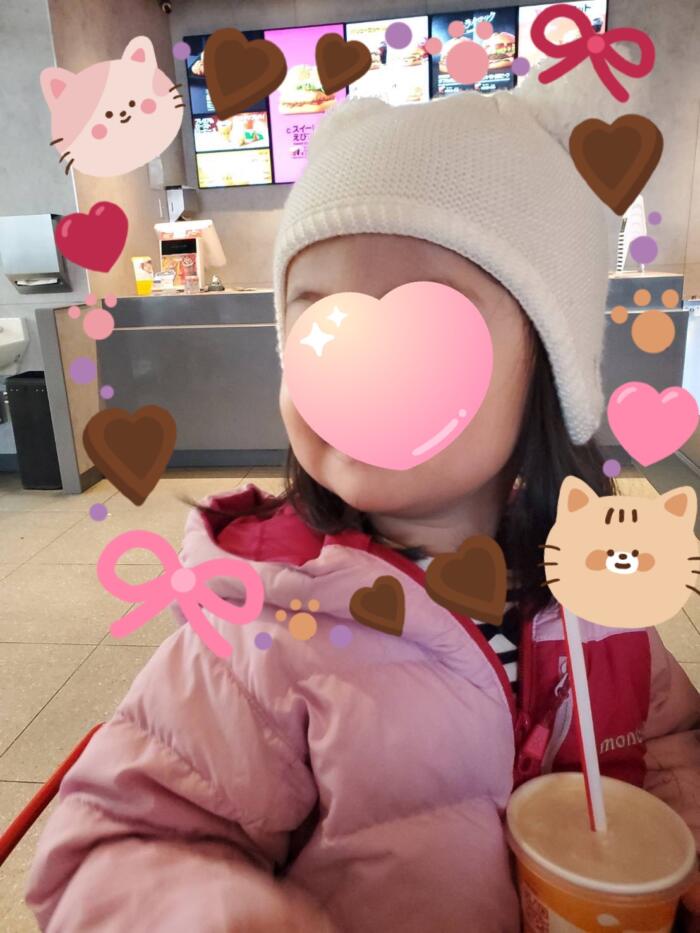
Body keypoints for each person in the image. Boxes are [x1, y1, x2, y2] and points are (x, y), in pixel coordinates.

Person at [27, 59, 699, 932]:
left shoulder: (603, 587)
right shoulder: (263, 634)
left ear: (550, 366)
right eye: (319, 323)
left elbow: (669, 737)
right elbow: (107, 849)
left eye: (426, 326)